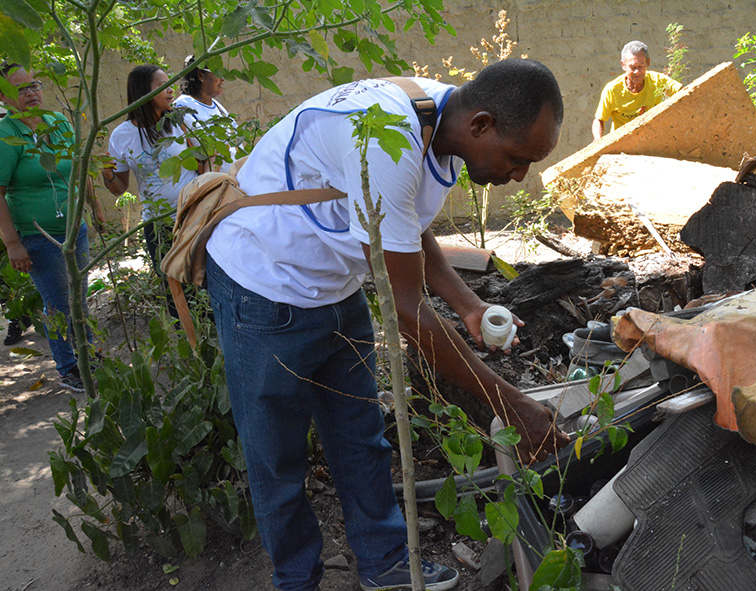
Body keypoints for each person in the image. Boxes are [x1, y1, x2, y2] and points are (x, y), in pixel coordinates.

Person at [204, 58, 570, 591]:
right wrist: (513, 406)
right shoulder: (386, 135)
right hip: (264, 284)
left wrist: (467, 304)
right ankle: (296, 579)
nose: (520, 175)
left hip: (336, 281)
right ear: (482, 125)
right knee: (276, 457)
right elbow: (405, 308)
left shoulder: (441, 119)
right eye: (518, 159)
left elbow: (406, 224)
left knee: (360, 436)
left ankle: (385, 564)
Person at [0, 63, 103, 391]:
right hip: (38, 235)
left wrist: (95, 206)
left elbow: (80, 165)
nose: (31, 93)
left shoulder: (59, 122)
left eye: (34, 85)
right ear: (3, 97)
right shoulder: (6, 136)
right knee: (59, 302)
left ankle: (87, 354)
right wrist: (12, 243)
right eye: (21, 89)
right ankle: (69, 367)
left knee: (80, 295)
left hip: (75, 228)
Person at [104, 64, 199, 310]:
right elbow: (119, 188)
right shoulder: (121, 135)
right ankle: (187, 340)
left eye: (170, 84)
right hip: (158, 224)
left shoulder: (180, 121)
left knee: (203, 283)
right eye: (161, 86)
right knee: (174, 289)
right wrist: (107, 175)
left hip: (193, 216)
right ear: (142, 93)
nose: (170, 91)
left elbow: (204, 162)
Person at [592, 40, 682, 140]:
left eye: (641, 66)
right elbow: (599, 120)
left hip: (651, 140)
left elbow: (685, 92)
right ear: (623, 65)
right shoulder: (612, 90)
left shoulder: (658, 81)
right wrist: (597, 141)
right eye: (632, 67)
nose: (637, 72)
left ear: (648, 63)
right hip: (621, 143)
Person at [173, 56, 238, 173]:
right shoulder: (183, 107)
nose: (222, 78)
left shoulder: (217, 106)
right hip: (217, 183)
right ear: (200, 75)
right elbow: (206, 152)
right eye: (217, 72)